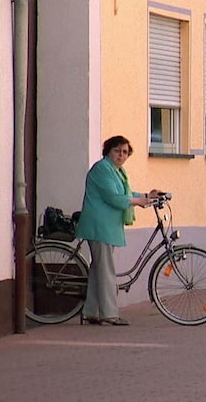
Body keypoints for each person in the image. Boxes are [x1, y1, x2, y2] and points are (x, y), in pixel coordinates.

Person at [75, 135, 159, 325]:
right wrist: (139, 201)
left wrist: (147, 195)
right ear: (108, 151)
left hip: (107, 226)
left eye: (125, 152)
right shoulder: (102, 170)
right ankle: (109, 314)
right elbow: (114, 197)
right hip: (99, 226)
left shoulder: (117, 171)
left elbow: (125, 194)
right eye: (117, 151)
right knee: (106, 271)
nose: (121, 155)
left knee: (99, 271)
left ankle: (91, 312)